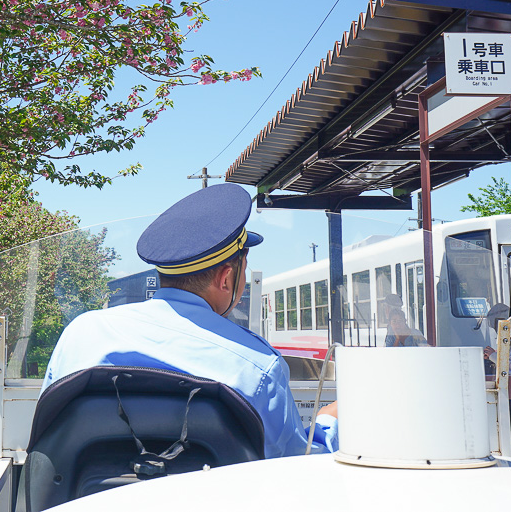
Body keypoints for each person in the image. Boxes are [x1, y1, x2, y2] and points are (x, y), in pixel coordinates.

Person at [42, 183, 338, 458]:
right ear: (226, 278)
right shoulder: (258, 366)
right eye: (243, 270)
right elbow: (294, 465)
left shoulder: (81, 333)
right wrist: (329, 421)